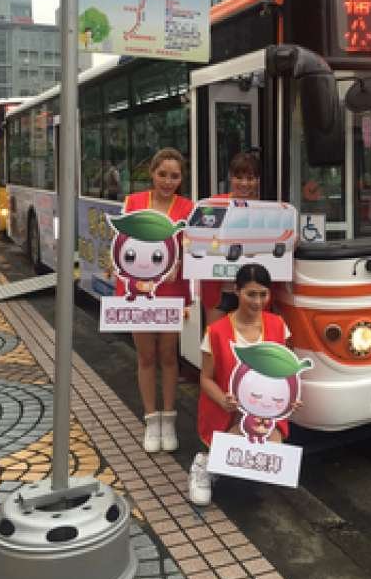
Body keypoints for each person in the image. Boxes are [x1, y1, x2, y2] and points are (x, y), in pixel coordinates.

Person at [189, 263, 297, 506]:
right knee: (234, 455)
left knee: (268, 454)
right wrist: (223, 400)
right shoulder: (216, 332)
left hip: (263, 410)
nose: (258, 302)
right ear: (237, 291)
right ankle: (205, 465)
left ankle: (226, 463)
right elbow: (205, 378)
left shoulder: (278, 325)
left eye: (263, 294)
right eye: (251, 294)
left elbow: (287, 374)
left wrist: (290, 399)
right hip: (228, 410)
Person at [115, 147, 193, 454]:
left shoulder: (188, 208)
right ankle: (151, 419)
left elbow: (194, 246)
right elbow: (121, 246)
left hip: (172, 290)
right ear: (152, 173)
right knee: (146, 356)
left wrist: (179, 261)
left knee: (169, 355)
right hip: (138, 291)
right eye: (162, 174)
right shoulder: (133, 203)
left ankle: (169, 419)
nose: (168, 181)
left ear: (181, 178)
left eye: (174, 176)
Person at [200, 150, 261, 326]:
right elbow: (198, 238)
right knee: (215, 339)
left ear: (257, 180)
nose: (244, 183)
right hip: (219, 290)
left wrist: (291, 241)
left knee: (249, 340)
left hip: (252, 290)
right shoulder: (214, 204)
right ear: (230, 178)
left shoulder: (266, 210)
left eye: (250, 178)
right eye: (239, 177)